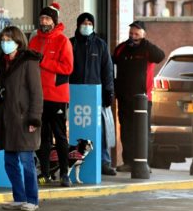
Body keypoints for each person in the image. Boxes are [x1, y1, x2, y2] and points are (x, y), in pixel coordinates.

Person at [0, 26, 43, 211]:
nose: (5, 43)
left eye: (8, 39)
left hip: (24, 118)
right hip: (7, 119)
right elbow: (2, 94)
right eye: (2, 40)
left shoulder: (28, 62)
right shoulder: (4, 63)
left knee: (26, 161)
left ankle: (32, 199)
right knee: (10, 161)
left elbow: (36, 93)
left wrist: (34, 119)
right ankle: (19, 197)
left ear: (18, 42)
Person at [28, 2, 74, 187]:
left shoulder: (63, 41)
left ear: (54, 21)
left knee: (60, 136)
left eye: (47, 18)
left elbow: (68, 68)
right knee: (43, 138)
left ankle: (65, 174)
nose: (44, 21)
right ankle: (45, 173)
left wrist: (45, 61)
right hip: (38, 96)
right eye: (41, 18)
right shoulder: (34, 41)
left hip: (56, 97)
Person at [112, 21, 165, 172]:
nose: (133, 37)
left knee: (142, 132)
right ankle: (128, 162)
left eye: (136, 34)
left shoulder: (148, 49)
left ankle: (144, 163)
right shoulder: (121, 49)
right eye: (131, 34)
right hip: (124, 98)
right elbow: (112, 66)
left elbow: (160, 56)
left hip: (143, 99)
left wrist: (144, 42)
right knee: (126, 131)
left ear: (143, 34)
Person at [69, 13, 117, 176]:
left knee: (100, 130)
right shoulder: (71, 44)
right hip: (74, 94)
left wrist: (108, 92)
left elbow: (108, 71)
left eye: (89, 23)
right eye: (83, 23)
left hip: (96, 96)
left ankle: (104, 162)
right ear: (77, 25)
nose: (86, 25)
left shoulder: (101, 45)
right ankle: (70, 160)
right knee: (73, 130)